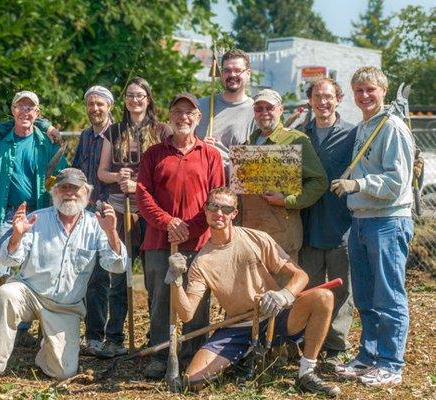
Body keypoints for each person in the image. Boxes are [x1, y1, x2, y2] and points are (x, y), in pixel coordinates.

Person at [167, 187, 341, 397]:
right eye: (213, 206)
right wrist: (175, 281)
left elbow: (300, 276)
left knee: (323, 297)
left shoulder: (257, 238)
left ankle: (306, 373)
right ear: (205, 210)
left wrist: (283, 295)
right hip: (237, 326)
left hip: (275, 314)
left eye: (226, 208)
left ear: (234, 213)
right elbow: (186, 314)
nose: (219, 213)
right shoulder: (202, 262)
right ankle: (244, 356)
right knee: (192, 381)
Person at [0, 168, 127, 392]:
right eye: (64, 188)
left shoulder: (97, 225)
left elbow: (117, 266)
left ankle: (47, 350)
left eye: (76, 188)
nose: (70, 193)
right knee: (5, 294)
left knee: (63, 372)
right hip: (29, 292)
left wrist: (112, 233)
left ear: (87, 194)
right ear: (54, 193)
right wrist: (16, 236)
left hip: (65, 306)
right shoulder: (37, 219)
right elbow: (7, 259)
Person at [331, 67, 415, 387]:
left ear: (383, 89)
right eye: (359, 91)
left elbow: (397, 181)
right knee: (365, 296)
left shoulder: (391, 127)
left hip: (388, 220)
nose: (364, 96)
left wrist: (358, 185)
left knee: (389, 296)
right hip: (363, 220)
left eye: (370, 90)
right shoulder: (368, 125)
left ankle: (391, 363)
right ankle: (368, 355)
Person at [136, 93, 224, 379]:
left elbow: (216, 198)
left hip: (198, 244)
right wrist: (167, 222)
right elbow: (143, 194)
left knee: (195, 300)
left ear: (198, 118)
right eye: (177, 112)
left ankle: (191, 354)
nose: (183, 117)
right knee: (161, 298)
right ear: (169, 117)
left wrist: (191, 226)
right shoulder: (154, 154)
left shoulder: (210, 155)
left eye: (189, 113)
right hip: (160, 243)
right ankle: (161, 355)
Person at [0, 90, 68, 346]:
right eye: (20, 107)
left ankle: (22, 329)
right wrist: (31, 121)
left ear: (38, 113)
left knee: (35, 269)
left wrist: (42, 125)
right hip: (7, 213)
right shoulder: (1, 139)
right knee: (0, 268)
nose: (25, 112)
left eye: (31, 109)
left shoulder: (47, 144)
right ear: (12, 112)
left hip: (38, 212)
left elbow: (63, 175)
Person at [94, 77, 172, 358]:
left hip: (149, 211)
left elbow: (167, 172)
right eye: (129, 96)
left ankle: (155, 337)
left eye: (140, 95)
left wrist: (138, 185)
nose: (135, 100)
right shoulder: (113, 132)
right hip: (120, 208)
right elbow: (102, 172)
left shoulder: (163, 132)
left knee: (153, 276)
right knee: (120, 275)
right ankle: (114, 337)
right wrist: (117, 177)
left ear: (149, 98)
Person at [297, 79, 356, 367]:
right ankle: (309, 344)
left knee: (341, 290)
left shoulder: (352, 134)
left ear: (339, 99)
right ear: (309, 100)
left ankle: (335, 347)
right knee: (309, 288)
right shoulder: (300, 136)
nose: (323, 101)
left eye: (328, 96)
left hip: (341, 224)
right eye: (317, 96)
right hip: (308, 224)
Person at [241, 89, 327, 261]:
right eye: (259, 109)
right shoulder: (248, 143)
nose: (264, 113)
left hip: (281, 238)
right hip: (250, 236)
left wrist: (288, 200)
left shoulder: (296, 140)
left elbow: (319, 181)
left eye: (269, 108)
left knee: (281, 288)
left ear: (280, 110)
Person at [72, 85, 117, 358]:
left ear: (109, 106)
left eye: (100, 104)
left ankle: (97, 336)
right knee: (82, 273)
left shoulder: (117, 135)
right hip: (83, 212)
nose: (95, 109)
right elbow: (79, 169)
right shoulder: (86, 136)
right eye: (91, 104)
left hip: (108, 211)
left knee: (101, 277)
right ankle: (78, 331)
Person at [196, 49, 257, 179]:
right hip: (200, 184)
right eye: (227, 70)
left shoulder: (257, 111)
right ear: (221, 73)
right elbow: (181, 143)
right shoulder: (199, 106)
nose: (232, 74)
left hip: (236, 190)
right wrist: (198, 146)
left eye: (237, 70)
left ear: (248, 73)